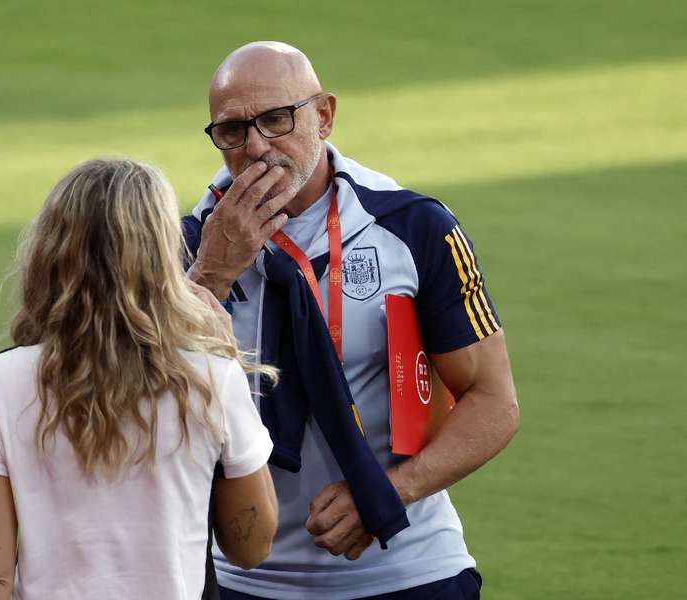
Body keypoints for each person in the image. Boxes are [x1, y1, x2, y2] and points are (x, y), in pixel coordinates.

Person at [184, 42, 519, 600]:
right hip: (241, 579)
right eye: (233, 130)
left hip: (407, 570)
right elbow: (135, 400)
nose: (257, 147)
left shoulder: (413, 227)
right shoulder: (183, 245)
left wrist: (387, 493)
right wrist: (211, 277)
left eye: (276, 118)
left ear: (325, 115)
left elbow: (494, 400)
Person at [0, 158, 280, 600]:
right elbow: (250, 545)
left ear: (49, 251)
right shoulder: (211, 377)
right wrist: (224, 361)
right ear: (161, 255)